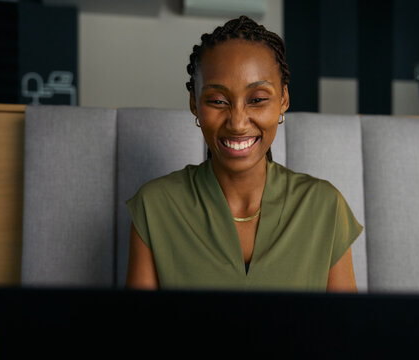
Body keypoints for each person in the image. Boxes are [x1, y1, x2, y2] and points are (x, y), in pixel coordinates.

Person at [126, 16, 362, 292]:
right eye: (217, 101)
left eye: (258, 100)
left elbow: (344, 333)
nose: (237, 123)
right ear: (194, 103)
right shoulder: (155, 207)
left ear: (283, 100)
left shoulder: (324, 208)